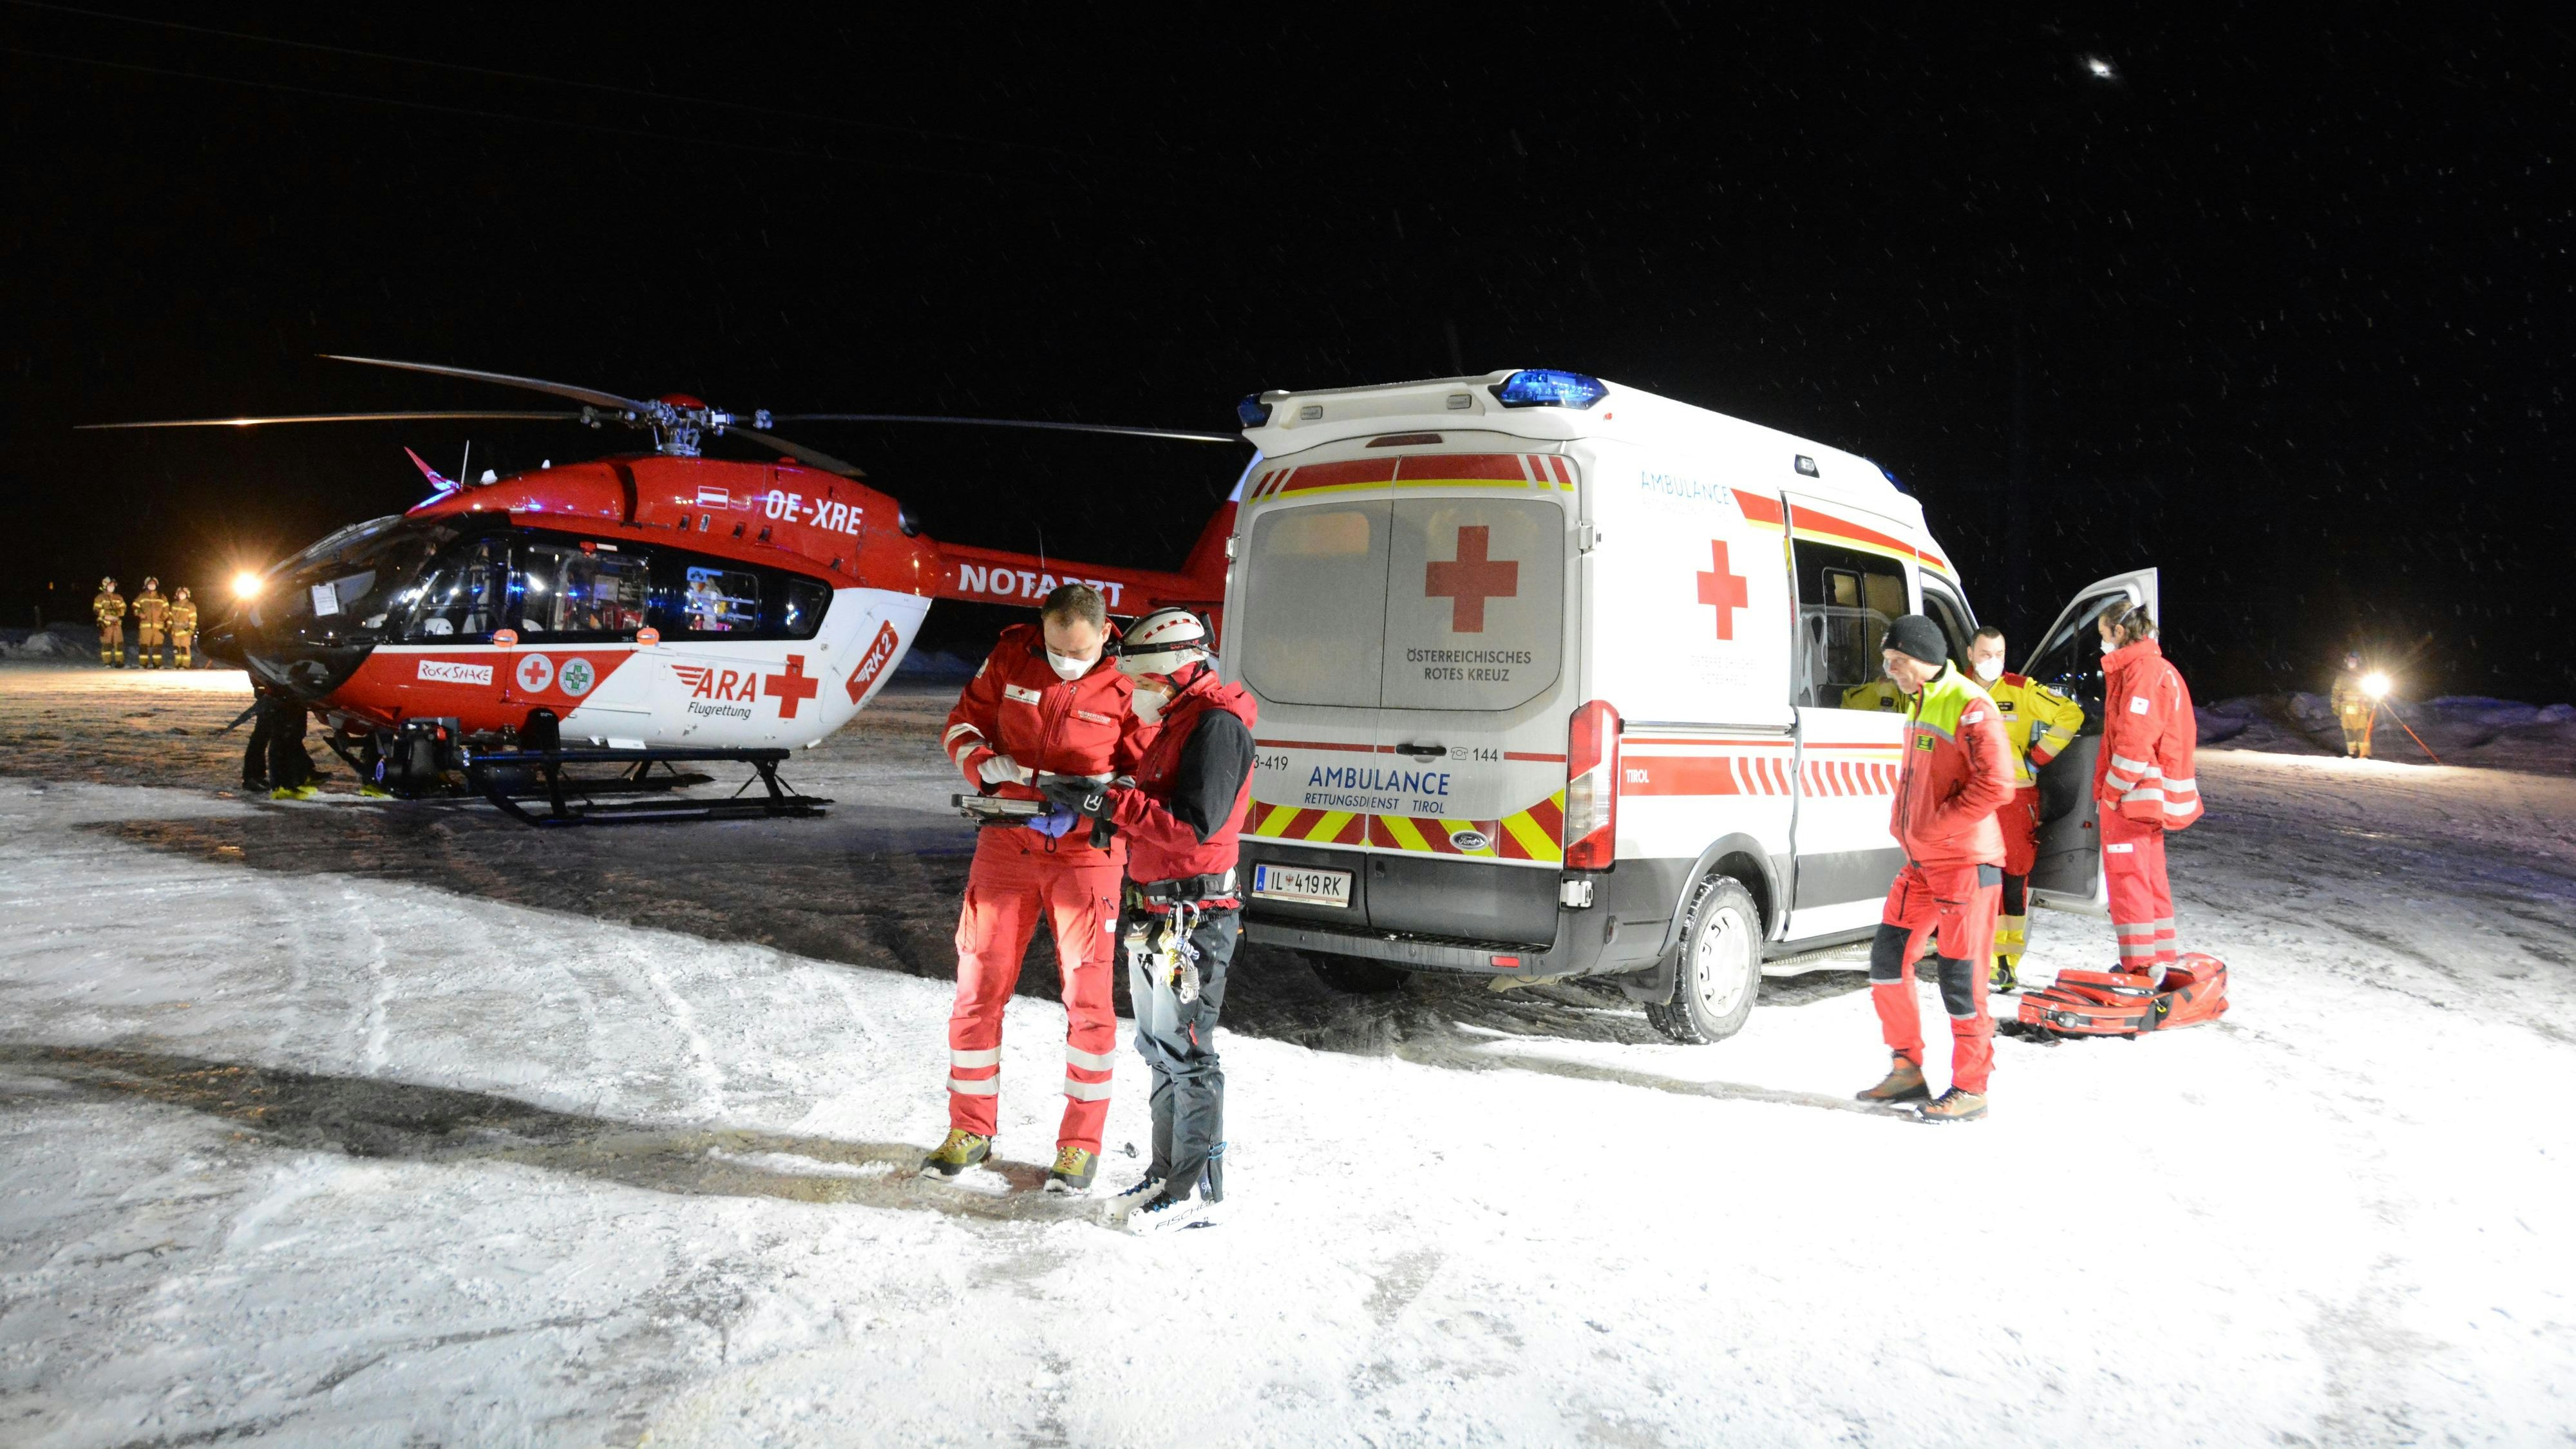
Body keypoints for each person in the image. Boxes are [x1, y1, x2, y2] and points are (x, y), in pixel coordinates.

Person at [924, 583, 1148, 1192]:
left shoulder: (1134, 684)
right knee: (977, 991)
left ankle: (1079, 1145)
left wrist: (1099, 801)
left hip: (1088, 857)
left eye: (1077, 652)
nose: (1064, 662)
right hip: (1006, 844)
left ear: (1106, 634)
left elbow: (1147, 774)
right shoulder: (1009, 656)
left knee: (1090, 1004)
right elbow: (960, 724)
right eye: (1054, 649)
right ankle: (970, 1130)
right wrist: (981, 764)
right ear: (1041, 628)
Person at [1041, 608, 1256, 1231]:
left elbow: (1195, 824)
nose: (1138, 694)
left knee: (1186, 1051)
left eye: (1146, 683)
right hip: (1159, 904)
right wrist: (1113, 798)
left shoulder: (1215, 726)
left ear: (1171, 671)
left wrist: (1107, 800)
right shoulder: (1182, 720)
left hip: (1194, 911)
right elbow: (1159, 799)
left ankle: (1191, 1189)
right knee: (1158, 1046)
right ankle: (1165, 1173)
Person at [1855, 614, 2015, 1122]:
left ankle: (1971, 1088)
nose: (1891, 672)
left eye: (1897, 662)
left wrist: (1936, 826)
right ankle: (1908, 1068)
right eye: (1888, 663)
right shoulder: (1924, 699)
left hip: (1967, 865)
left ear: (1921, 658)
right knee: (1887, 962)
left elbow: (1998, 786)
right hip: (1924, 864)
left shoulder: (1971, 704)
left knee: (1961, 981)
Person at [1966, 626, 2085, 992]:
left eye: (1999, 655)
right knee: (1972, 878)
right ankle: (1971, 954)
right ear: (1970, 654)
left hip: (2013, 798)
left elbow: (2071, 716)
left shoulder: (2020, 690)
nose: (1992, 662)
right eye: (1985, 655)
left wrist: (2036, 759)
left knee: (2013, 879)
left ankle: (2005, 963)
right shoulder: (1955, 688)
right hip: (1967, 798)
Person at [2096, 601, 2203, 977]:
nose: (2103, 645)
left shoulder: (2141, 672)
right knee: (2149, 875)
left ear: (2120, 632)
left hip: (2131, 798)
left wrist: (2111, 792)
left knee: (2129, 880)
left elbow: (2133, 742)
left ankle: (2140, 967)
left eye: (2104, 635)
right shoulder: (2157, 669)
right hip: (2147, 800)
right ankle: (2160, 956)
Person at [2329, 652, 2376, 759]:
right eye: (2350, 660)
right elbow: (2336, 693)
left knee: (2362, 730)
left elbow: (2370, 693)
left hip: (2361, 707)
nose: (2352, 662)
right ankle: (2352, 752)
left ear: (2358, 662)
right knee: (2348, 730)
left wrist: (2369, 706)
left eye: (2354, 661)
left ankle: (2365, 754)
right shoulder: (2342, 677)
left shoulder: (2364, 676)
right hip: (2346, 708)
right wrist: (2336, 708)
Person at [132, 577, 168, 669]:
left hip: (158, 627)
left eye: (153, 583)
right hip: (145, 626)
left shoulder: (162, 597)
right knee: (144, 646)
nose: (152, 585)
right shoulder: (142, 596)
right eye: (150, 583)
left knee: (158, 646)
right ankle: (143, 664)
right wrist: (139, 613)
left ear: (157, 585)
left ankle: (158, 664)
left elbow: (167, 610)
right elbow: (135, 607)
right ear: (146, 585)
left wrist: (162, 618)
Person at [92, 576, 126, 667]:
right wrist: (107, 615)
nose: (112, 587)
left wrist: (116, 614)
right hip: (105, 625)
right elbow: (96, 610)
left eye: (113, 585)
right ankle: (107, 662)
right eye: (110, 585)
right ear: (105, 586)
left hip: (117, 624)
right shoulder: (100, 598)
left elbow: (123, 609)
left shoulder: (118, 597)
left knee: (119, 644)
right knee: (107, 644)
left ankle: (120, 662)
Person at [167, 587, 198, 669]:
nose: (181, 595)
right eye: (180, 593)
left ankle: (185, 665)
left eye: (183, 594)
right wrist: (168, 628)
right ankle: (178, 664)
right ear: (177, 595)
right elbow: (170, 618)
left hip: (185, 630)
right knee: (176, 649)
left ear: (187, 595)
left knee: (184, 648)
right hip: (175, 630)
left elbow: (193, 619)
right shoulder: (174, 605)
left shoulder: (191, 606)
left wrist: (191, 630)